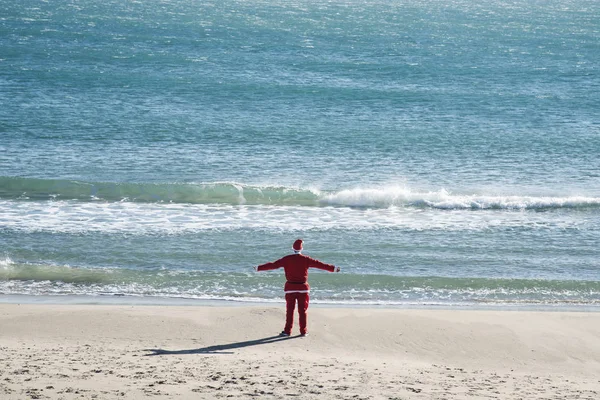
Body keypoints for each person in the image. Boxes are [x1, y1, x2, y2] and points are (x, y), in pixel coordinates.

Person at [254, 239, 340, 337]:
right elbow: (320, 265)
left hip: (290, 288)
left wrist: (258, 268)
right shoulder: (306, 259)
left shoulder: (286, 259)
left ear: (292, 248)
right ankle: (303, 331)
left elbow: (273, 265)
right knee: (302, 311)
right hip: (303, 288)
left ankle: (287, 331)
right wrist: (334, 268)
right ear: (301, 248)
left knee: (290, 310)